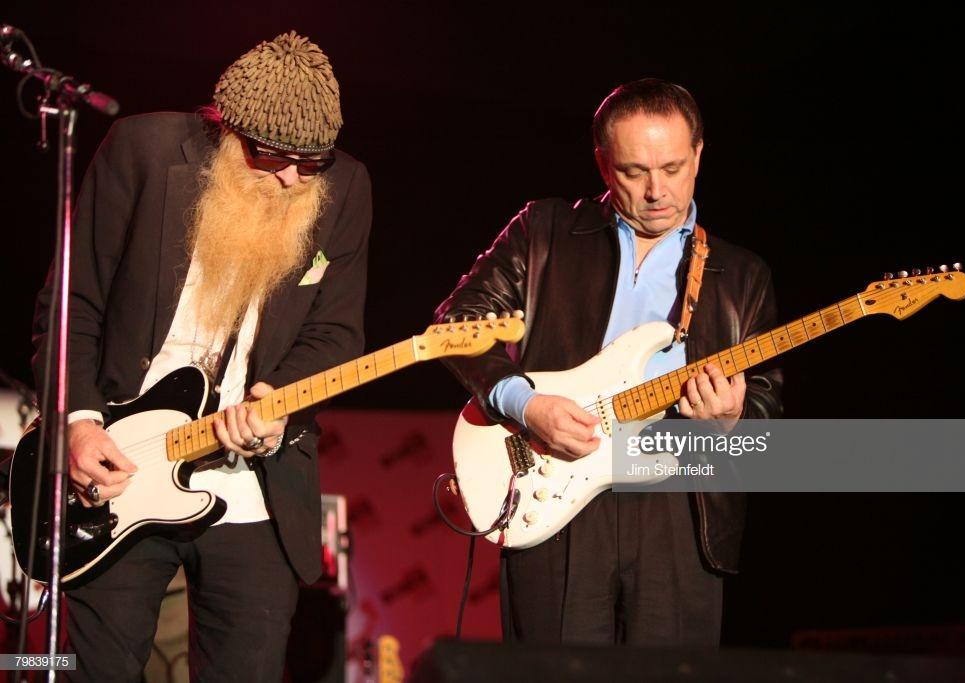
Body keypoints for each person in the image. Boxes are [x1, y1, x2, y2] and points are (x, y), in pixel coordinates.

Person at [30, 31, 371, 680]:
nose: (296, 178)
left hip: (252, 483)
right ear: (225, 130)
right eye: (274, 156)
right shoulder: (144, 150)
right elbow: (72, 302)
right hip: (122, 465)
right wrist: (77, 422)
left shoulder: (347, 187)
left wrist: (279, 399)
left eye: (312, 161)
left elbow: (336, 333)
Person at [436, 78, 782, 646]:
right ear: (602, 164)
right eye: (633, 172)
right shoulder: (544, 232)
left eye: (673, 168)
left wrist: (729, 425)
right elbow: (457, 325)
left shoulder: (742, 276)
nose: (656, 192)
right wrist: (528, 404)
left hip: (680, 506)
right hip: (556, 494)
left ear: (698, 154)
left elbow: (766, 407)